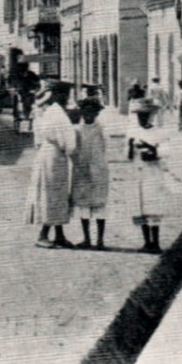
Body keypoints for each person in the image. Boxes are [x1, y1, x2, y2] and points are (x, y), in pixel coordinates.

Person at [26, 82, 77, 248]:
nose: (66, 98)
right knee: (52, 194)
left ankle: (59, 235)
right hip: (53, 156)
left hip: (52, 155)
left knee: (58, 194)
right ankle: (43, 235)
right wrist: (72, 149)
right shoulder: (56, 112)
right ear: (56, 95)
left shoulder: (51, 111)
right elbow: (67, 140)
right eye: (64, 94)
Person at [126, 98, 179, 254]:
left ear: (151, 116)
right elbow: (128, 156)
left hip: (153, 174)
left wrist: (152, 150)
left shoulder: (159, 132)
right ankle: (146, 241)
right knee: (140, 206)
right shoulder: (133, 132)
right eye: (139, 115)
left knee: (153, 205)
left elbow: (166, 151)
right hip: (138, 173)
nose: (142, 118)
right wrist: (130, 146)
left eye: (145, 115)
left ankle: (155, 242)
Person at [70, 96, 110, 250]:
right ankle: (87, 238)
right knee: (83, 205)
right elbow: (73, 150)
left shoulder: (102, 129)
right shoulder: (77, 130)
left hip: (99, 170)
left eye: (92, 112)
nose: (88, 115)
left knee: (99, 204)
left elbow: (106, 148)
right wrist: (78, 164)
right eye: (85, 112)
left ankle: (100, 240)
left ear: (97, 113)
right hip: (81, 170)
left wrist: (98, 165)